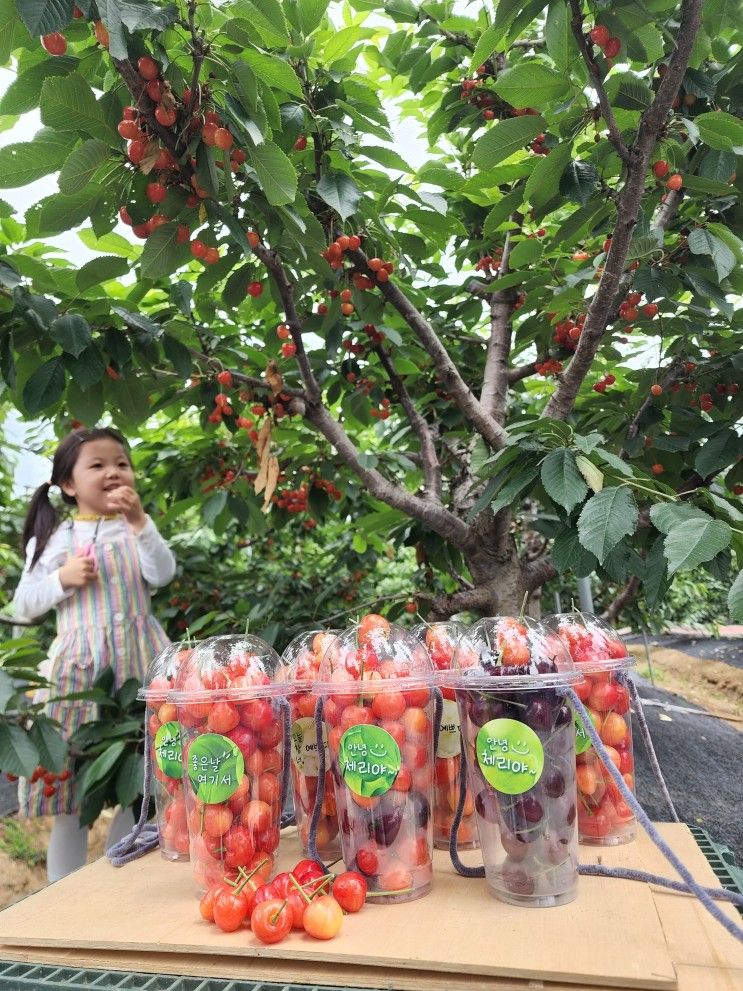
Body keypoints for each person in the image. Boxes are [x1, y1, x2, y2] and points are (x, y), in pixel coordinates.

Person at [11, 427, 176, 882]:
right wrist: (61, 578)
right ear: (68, 484)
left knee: (138, 780)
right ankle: (61, 895)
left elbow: (162, 573)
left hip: (140, 665)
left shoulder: (135, 527)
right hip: (79, 678)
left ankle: (113, 881)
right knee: (70, 791)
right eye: (97, 465)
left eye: (121, 463)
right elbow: (23, 605)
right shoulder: (55, 538)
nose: (112, 472)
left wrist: (142, 522)